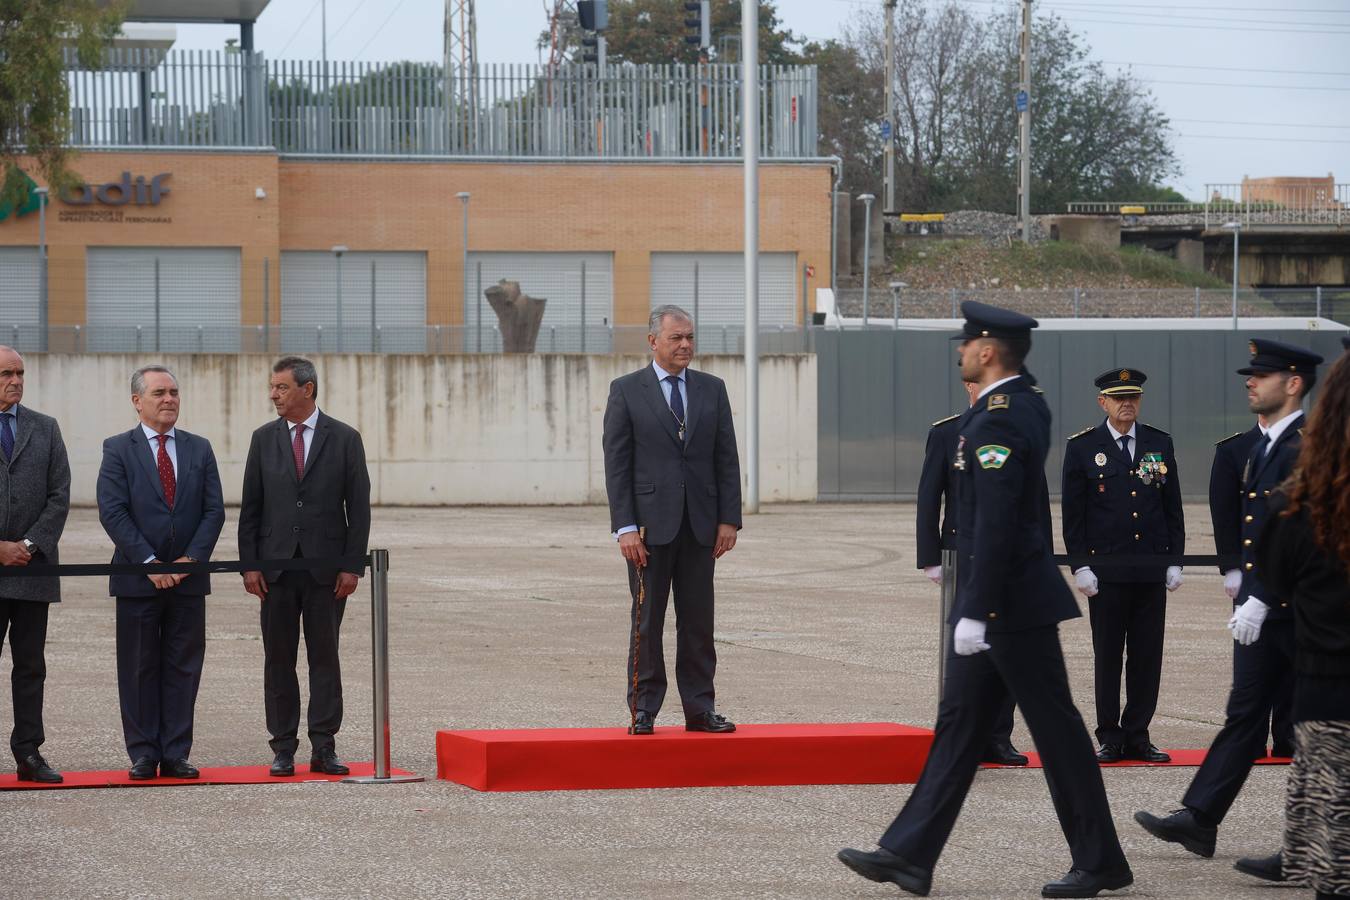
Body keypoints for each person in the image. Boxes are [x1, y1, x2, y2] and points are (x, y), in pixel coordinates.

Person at [838, 302, 1132, 899]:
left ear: (989, 350)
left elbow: (996, 521)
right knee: (959, 726)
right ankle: (909, 854)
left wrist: (975, 606)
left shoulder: (1001, 414)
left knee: (1055, 731)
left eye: (967, 343)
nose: (960, 351)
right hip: (1000, 599)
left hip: (1010, 605)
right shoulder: (1017, 404)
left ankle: (1099, 860)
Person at [1136, 338, 1323, 858]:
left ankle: (1306, 846)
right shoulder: (1260, 447)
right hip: (1264, 612)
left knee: (1319, 728)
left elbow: (1302, 532)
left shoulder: (1309, 446)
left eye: (1261, 376)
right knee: (1245, 713)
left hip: (1299, 612)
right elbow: (1254, 529)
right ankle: (1200, 817)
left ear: (1293, 384)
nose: (1250, 382)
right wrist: (1244, 585)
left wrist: (1263, 595)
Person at [1231, 349, 1350, 899]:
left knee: (1334, 850)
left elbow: (1276, 561)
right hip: (1325, 684)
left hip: (1329, 686)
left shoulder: (1304, 501)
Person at [602, 304, 741, 735]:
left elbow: (726, 458)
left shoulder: (711, 389)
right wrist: (624, 526)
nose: (685, 345)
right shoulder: (626, 390)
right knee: (647, 620)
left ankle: (700, 709)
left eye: (690, 337)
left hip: (701, 527)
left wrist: (728, 520)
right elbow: (617, 464)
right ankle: (644, 709)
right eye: (676, 338)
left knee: (698, 620)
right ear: (652, 341)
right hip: (647, 530)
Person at [239, 357, 370, 777]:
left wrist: (352, 567)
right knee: (278, 659)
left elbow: (359, 508)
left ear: (307, 389)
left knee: (324, 659)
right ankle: (282, 747)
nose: (273, 395)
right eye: (272, 388)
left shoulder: (346, 438)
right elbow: (251, 508)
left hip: (326, 573)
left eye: (281, 387)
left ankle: (324, 747)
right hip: (275, 572)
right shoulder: (263, 439)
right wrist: (250, 566)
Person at [96, 365, 224, 780]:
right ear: (137, 401)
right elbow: (113, 511)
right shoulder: (118, 448)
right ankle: (143, 753)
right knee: (138, 666)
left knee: (183, 666)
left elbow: (213, 510)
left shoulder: (199, 448)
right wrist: (149, 563)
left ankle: (175, 752)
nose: (169, 399)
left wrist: (190, 561)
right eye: (159, 393)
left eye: (173, 392)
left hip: (188, 580)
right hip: (138, 579)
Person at [1061, 368, 1184, 764]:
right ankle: (1110, 737)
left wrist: (1174, 560)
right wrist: (1081, 566)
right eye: (1118, 397)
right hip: (1107, 574)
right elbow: (1074, 514)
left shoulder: (1158, 443)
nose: (1127, 403)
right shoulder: (1083, 447)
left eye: (1133, 396)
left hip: (1149, 570)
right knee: (1109, 655)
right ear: (1103, 402)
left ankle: (1138, 735)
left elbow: (1172, 508)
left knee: (1147, 656)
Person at [917, 380, 1026, 767]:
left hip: (1010, 555)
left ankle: (999, 737)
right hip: (963, 553)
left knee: (1006, 646)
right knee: (964, 650)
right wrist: (931, 555)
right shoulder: (947, 433)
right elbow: (930, 495)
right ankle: (962, 737)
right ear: (968, 385)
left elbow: (1034, 499)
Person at [0, 347, 70, 784]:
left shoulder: (45, 428)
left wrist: (26, 544)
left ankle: (29, 753)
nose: (16, 380)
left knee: (30, 667)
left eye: (21, 373)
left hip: (32, 568)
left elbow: (60, 495)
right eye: (7, 373)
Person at [1210, 419, 1295, 759]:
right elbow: (1224, 511)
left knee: (1291, 662)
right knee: (1252, 664)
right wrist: (1230, 566)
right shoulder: (1234, 448)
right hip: (1250, 571)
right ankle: (1252, 736)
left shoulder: (1302, 444)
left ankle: (1288, 736)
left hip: (1291, 572)